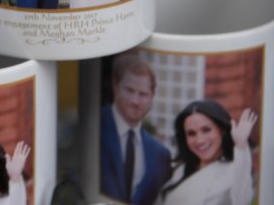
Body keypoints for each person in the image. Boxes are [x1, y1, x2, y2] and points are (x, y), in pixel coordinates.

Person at [101, 53, 171, 205]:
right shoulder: (93, 125)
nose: (135, 101)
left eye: (143, 94)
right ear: (115, 85)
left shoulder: (160, 155)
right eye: (129, 90)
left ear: (152, 95)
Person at [157, 101, 257, 205]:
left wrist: (241, 145)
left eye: (206, 130)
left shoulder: (234, 170)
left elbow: (242, 200)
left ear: (221, 130)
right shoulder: (181, 168)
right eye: (191, 133)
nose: (200, 140)